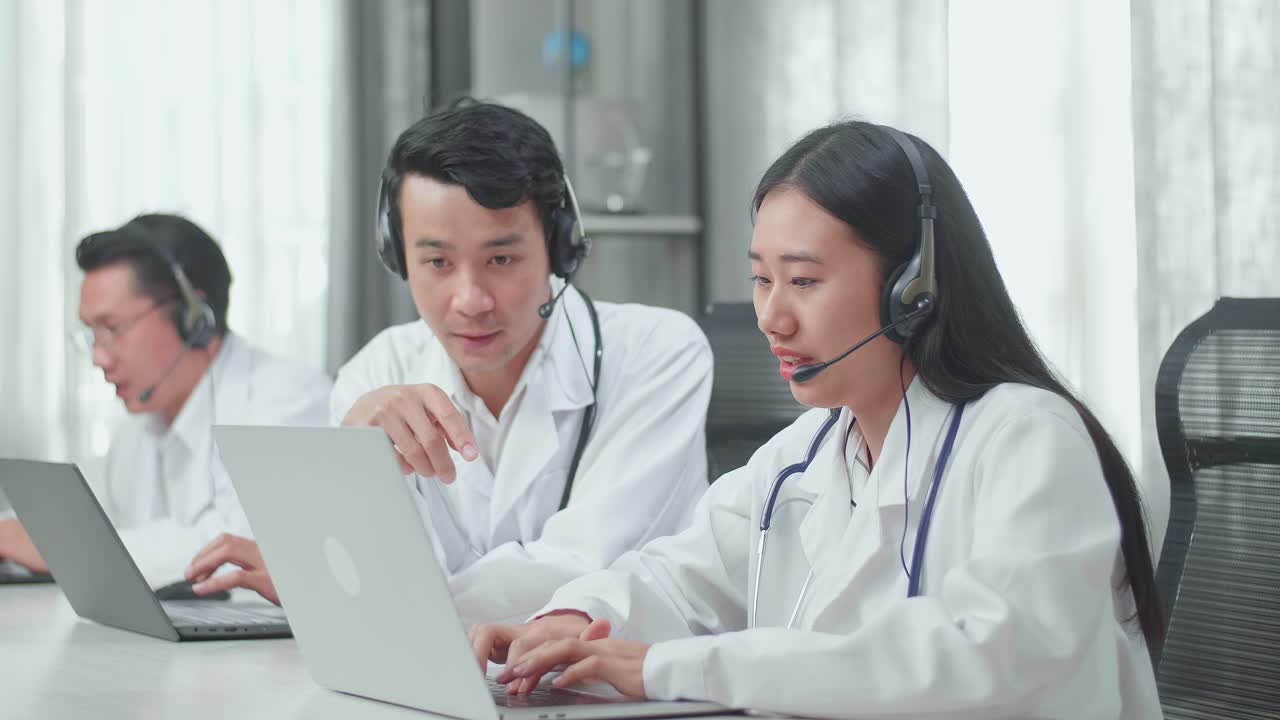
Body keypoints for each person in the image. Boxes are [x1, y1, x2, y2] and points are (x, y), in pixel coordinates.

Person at [470, 121, 1164, 718]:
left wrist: (672, 668)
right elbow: (676, 579)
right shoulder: (803, 455)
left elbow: (996, 656)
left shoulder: (1027, 437)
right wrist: (574, 620)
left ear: (912, 288)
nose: (772, 317)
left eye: (803, 281)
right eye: (761, 278)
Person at [185, 100, 714, 626]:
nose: (470, 300)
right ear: (398, 256)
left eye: (501, 259)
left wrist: (331, 588)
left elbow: (585, 568)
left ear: (560, 247)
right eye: (437, 262)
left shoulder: (656, 354)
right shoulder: (377, 376)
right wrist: (352, 526)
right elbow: (380, 574)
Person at [0, 214, 332, 584]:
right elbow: (76, 512)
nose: (98, 358)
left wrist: (59, 547)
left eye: (112, 329)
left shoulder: (288, 400)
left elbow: (243, 550)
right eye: (92, 334)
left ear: (194, 318)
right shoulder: (141, 426)